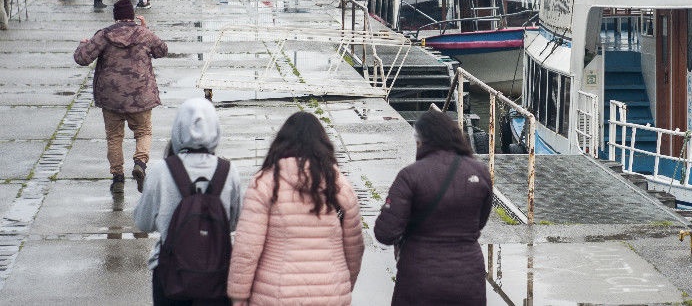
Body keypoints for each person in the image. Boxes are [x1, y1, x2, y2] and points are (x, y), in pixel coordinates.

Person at [227, 112, 364, 305]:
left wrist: (238, 296)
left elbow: (247, 248)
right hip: (330, 293)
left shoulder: (265, 183)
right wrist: (345, 285)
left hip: (275, 293)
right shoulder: (339, 184)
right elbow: (355, 247)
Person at [374, 109, 493, 306]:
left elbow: (385, 233)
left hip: (419, 279)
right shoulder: (480, 172)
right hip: (468, 278)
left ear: (420, 141)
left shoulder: (410, 176)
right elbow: (480, 221)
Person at [134, 98, 243, 306]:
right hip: (217, 273)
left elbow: (143, 223)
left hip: (170, 275)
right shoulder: (228, 172)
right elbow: (234, 223)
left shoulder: (160, 171)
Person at [74, 0, 168, 193]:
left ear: (115, 16)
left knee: (114, 138)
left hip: (111, 97)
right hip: (140, 96)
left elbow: (82, 58)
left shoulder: (104, 35)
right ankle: (140, 163)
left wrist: (81, 45)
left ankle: (117, 178)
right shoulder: (143, 33)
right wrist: (147, 29)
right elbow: (162, 50)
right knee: (143, 132)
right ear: (132, 15)